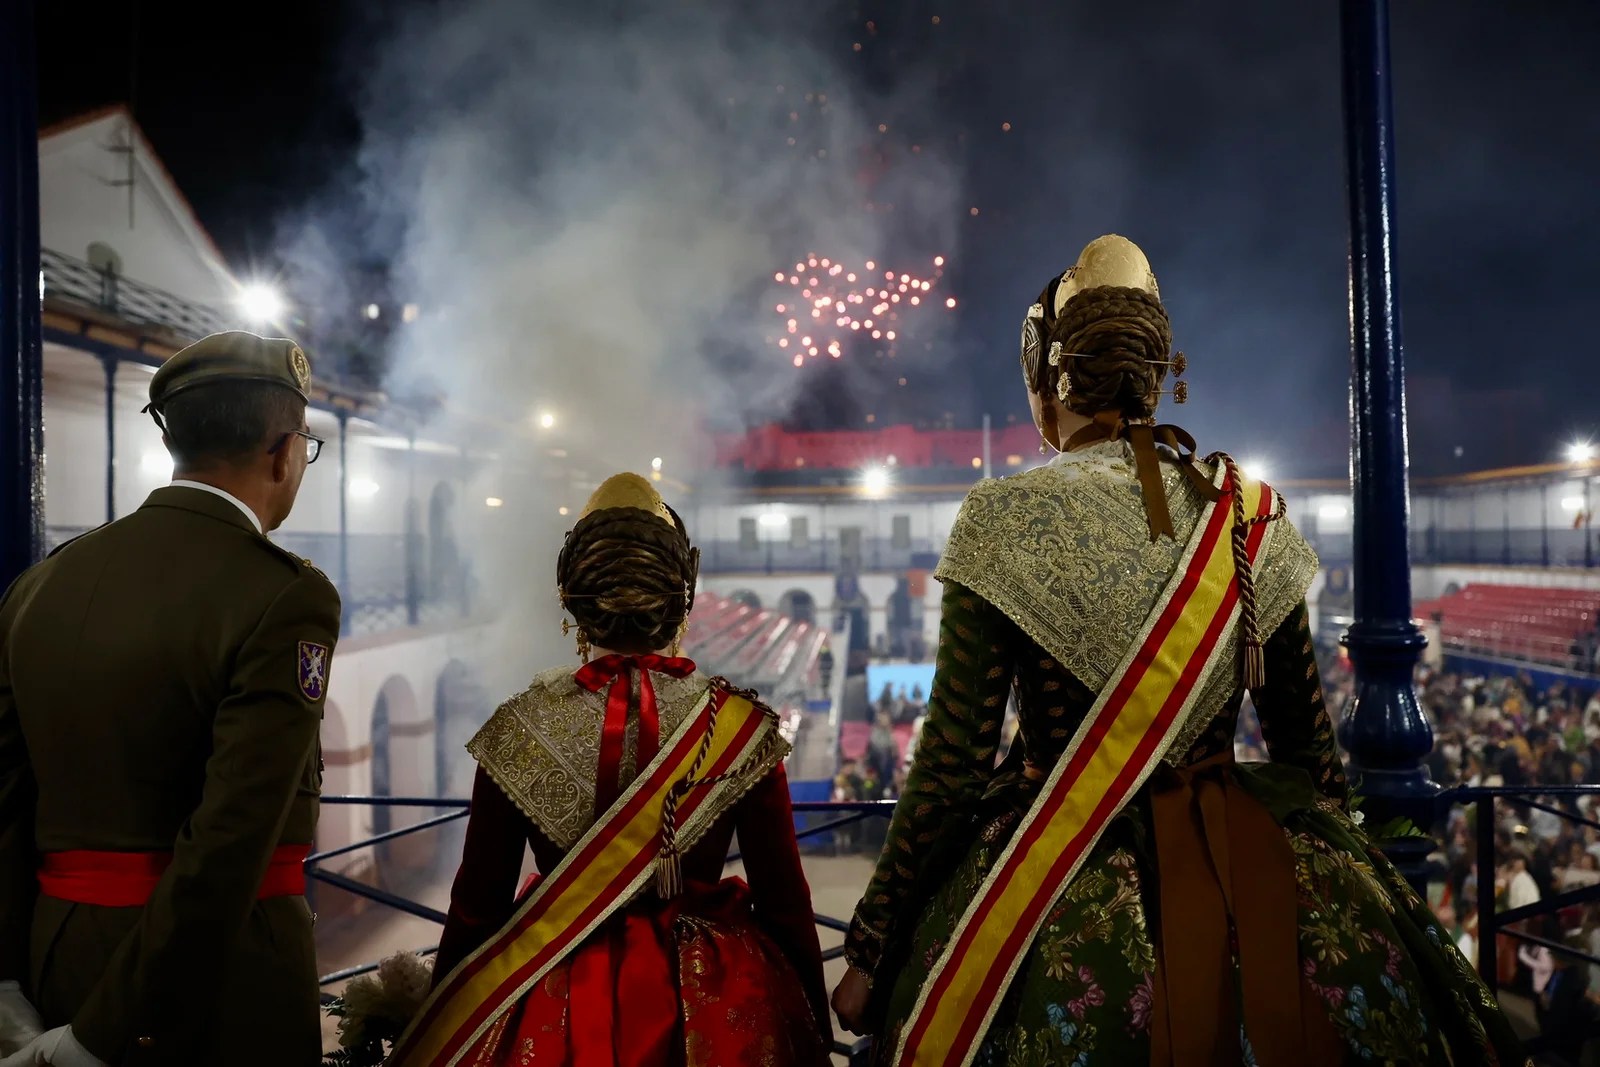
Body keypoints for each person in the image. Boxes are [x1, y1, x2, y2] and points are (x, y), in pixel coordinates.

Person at [830, 236, 1528, 1066]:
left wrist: (873, 946)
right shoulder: (1248, 515)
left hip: (1052, 875)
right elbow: (1309, 748)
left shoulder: (999, 519)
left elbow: (950, 768)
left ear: (1053, 378)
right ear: (1161, 369)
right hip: (1254, 871)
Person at [388, 474, 830, 1066]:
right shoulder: (739, 727)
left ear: (570, 600)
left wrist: (439, 1022)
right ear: (684, 596)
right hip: (716, 1002)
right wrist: (814, 1027)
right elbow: (785, 902)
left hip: (554, 993)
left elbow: (477, 907)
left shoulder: (519, 727)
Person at [0, 332, 340, 1065]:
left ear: (173, 442)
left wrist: (5, 984)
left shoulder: (38, 587)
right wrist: (103, 1034)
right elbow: (232, 836)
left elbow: (5, 804)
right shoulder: (284, 594)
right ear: (284, 452)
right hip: (217, 985)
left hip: (55, 959)